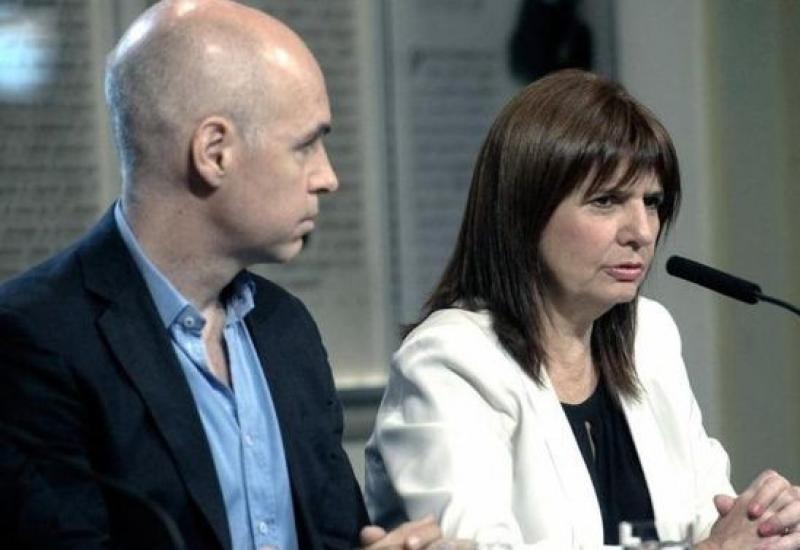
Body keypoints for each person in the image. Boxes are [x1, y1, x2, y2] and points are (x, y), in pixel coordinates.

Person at [0, 1, 443, 548]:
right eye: (306, 145)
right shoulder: (33, 339)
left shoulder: (287, 330)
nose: (327, 177)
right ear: (214, 153)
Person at [364, 69, 800, 549]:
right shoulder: (451, 361)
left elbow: (711, 517)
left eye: (652, 202)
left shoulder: (650, 336)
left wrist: (765, 524)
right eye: (607, 201)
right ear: (525, 212)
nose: (642, 231)